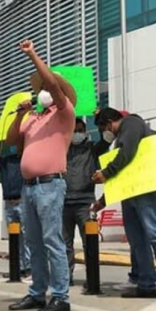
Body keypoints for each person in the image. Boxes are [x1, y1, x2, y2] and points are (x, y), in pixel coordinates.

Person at [92, 108, 156, 302]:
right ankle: (146, 283)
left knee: (154, 232)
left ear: (110, 122)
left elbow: (128, 153)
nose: (106, 133)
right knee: (137, 238)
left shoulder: (131, 123)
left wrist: (106, 172)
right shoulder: (122, 137)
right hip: (132, 192)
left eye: (104, 128)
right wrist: (102, 202)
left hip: (145, 190)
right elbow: (123, 176)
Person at [6, 40, 76, 311]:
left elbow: (53, 86)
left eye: (49, 88)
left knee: (52, 240)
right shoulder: (33, 119)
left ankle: (60, 296)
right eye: (42, 89)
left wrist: (33, 55)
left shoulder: (64, 112)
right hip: (29, 187)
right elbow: (12, 140)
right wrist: (21, 113)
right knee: (34, 242)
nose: (45, 91)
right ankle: (37, 293)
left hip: (50, 185)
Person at [0, 133, 31, 279]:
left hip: (22, 202)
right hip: (9, 203)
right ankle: (17, 267)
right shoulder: (4, 162)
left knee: (26, 236)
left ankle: (28, 267)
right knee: (15, 238)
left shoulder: (24, 160)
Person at [63, 118, 97, 286]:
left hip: (85, 202)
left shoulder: (92, 149)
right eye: (73, 130)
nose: (77, 133)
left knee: (89, 242)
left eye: (80, 130)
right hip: (64, 202)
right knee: (65, 244)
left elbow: (107, 141)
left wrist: (98, 118)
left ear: (85, 132)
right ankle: (66, 277)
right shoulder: (61, 149)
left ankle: (92, 278)